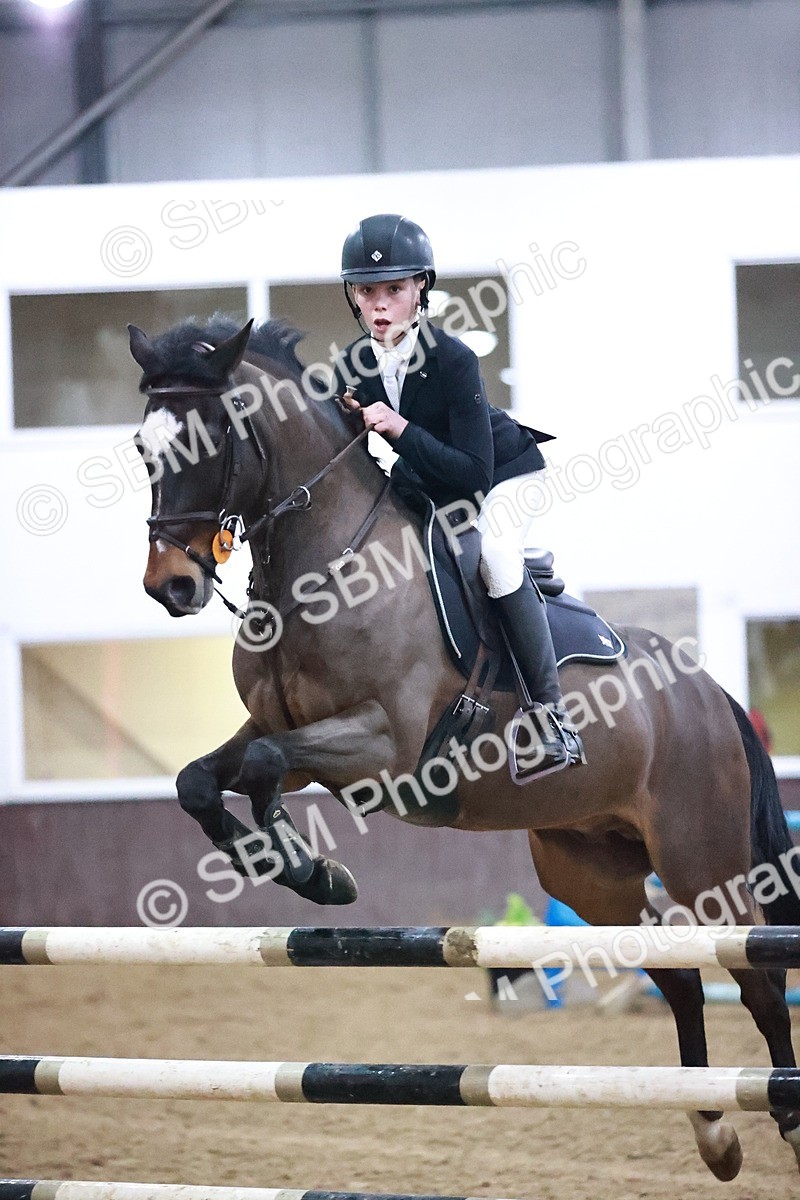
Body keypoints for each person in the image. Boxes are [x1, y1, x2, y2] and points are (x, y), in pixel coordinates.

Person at [333, 213, 585, 780]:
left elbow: (472, 474)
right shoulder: (351, 366)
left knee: (496, 559)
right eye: (367, 291)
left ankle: (551, 714)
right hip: (429, 478)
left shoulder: (453, 359)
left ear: (420, 288)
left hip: (504, 474)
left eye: (394, 290)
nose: (380, 305)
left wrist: (396, 429)